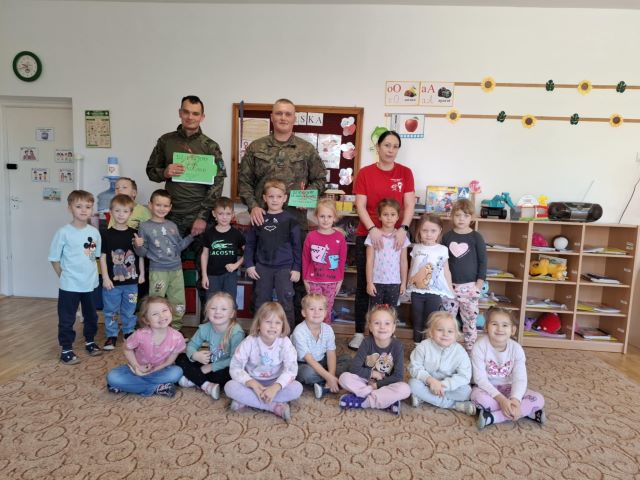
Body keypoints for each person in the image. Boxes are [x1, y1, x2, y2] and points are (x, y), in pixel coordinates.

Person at [237, 98, 327, 324]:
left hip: (294, 223)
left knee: (294, 283)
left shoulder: (306, 149)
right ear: (272, 117)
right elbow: (244, 181)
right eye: (279, 113)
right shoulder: (256, 147)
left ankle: (293, 331)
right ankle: (259, 330)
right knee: (261, 284)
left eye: (288, 114)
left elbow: (320, 179)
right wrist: (253, 205)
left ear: (294, 118)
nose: (283, 118)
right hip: (263, 223)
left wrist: (307, 197)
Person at [350, 130, 415, 350]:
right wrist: (372, 229)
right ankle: (360, 332)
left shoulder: (405, 172)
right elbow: (360, 205)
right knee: (365, 285)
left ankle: (388, 333)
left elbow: (409, 205)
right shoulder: (365, 173)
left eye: (395, 146)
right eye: (387, 145)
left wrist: (404, 228)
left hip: (395, 237)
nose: (391, 150)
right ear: (377, 147)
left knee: (391, 286)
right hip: (368, 234)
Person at [146, 95, 226, 237]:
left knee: (201, 252)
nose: (190, 117)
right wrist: (164, 172)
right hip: (169, 214)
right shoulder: (166, 141)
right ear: (180, 113)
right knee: (168, 252)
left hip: (199, 215)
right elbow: (150, 171)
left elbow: (218, 183)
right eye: (186, 112)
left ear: (202, 117)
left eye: (195, 113)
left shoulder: (211, 146)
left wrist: (202, 217)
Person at [48, 190, 103, 365]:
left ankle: (90, 342)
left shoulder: (94, 232)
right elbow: (54, 259)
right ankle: (66, 349)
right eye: (79, 206)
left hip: (90, 284)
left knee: (91, 316)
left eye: (88, 206)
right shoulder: (63, 232)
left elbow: (95, 257)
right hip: (70, 285)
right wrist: (63, 276)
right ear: (70, 208)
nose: (84, 210)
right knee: (67, 318)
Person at [224, 302, 303, 423]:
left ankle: (247, 401)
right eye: (268, 322)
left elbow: (291, 370)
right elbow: (235, 367)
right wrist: (252, 383)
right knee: (230, 387)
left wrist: (275, 387)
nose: (273, 326)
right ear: (259, 325)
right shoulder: (249, 341)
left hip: (275, 382)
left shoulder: (285, 343)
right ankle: (273, 406)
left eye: (277, 323)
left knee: (297, 388)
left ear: (283, 326)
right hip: (252, 382)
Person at [471, 307, 546, 430]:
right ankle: (526, 412)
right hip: (487, 389)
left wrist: (515, 400)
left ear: (513, 330)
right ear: (486, 327)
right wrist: (501, 400)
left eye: (505, 325)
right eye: (494, 324)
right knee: (478, 398)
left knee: (539, 399)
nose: (500, 329)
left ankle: (493, 417)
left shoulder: (517, 349)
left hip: (509, 388)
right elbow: (480, 379)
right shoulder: (479, 346)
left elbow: (520, 379)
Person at [244, 179, 301, 331]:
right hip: (263, 268)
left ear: (285, 198)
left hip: (284, 268)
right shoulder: (258, 218)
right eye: (271, 196)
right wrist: (249, 264)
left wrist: (296, 268)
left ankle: (287, 336)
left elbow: (297, 246)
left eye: (278, 196)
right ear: (264, 198)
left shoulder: (291, 220)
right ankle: (258, 334)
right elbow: (250, 244)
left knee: (286, 302)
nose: (275, 200)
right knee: (261, 302)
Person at [134, 189, 193, 330]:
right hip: (158, 271)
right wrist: (138, 245)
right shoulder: (144, 226)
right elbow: (142, 253)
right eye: (158, 205)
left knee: (178, 300)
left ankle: (176, 328)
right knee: (156, 301)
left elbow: (179, 247)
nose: (162, 208)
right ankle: (155, 328)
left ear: (170, 207)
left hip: (176, 270)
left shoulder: (172, 225)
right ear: (150, 205)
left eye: (165, 205)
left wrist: (191, 236)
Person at [338, 304, 411, 415]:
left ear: (393, 327)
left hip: (386, 384)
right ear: (370, 327)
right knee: (344, 378)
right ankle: (385, 401)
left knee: (405, 389)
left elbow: (398, 376)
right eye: (377, 323)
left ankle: (364, 401)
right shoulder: (366, 342)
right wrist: (372, 374)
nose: (382, 327)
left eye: (387, 323)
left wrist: (378, 385)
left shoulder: (397, 346)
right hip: (365, 382)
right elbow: (354, 368)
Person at [106, 297, 185, 397]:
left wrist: (152, 371)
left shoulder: (177, 337)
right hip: (136, 370)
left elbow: (169, 362)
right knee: (112, 376)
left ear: (171, 311)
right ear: (146, 320)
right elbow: (126, 348)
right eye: (155, 314)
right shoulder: (140, 334)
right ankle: (156, 388)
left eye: (164, 310)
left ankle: (129, 385)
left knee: (177, 372)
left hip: (160, 371)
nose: (161, 316)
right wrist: (137, 367)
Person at [175, 292, 245, 399]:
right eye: (213, 308)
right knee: (180, 357)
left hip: (225, 366)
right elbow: (191, 345)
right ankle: (206, 385)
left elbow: (235, 359)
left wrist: (212, 367)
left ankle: (192, 378)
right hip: (209, 361)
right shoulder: (205, 328)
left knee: (230, 375)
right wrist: (195, 355)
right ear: (207, 311)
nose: (217, 312)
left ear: (231, 314)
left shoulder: (236, 332)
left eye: (223, 309)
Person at [100, 194, 145, 350]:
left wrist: (142, 274)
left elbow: (139, 255)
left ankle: (128, 332)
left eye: (125, 211)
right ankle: (111, 335)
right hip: (112, 283)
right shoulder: (106, 234)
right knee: (110, 310)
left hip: (131, 283)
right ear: (111, 212)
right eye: (117, 211)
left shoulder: (134, 234)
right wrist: (105, 278)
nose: (121, 214)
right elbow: (103, 257)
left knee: (129, 310)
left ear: (130, 213)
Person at [408, 311, 475, 415]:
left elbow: (464, 376)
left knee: (467, 392)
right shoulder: (423, 346)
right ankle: (454, 405)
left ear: (456, 335)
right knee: (412, 384)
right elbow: (414, 367)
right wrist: (430, 381)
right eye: (440, 330)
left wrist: (444, 385)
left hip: (448, 387)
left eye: (450, 331)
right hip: (427, 383)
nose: (445, 334)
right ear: (431, 332)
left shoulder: (460, 352)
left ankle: (424, 398)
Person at [442, 199, 487, 352]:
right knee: (447, 320)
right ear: (452, 216)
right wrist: (446, 285)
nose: (461, 219)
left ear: (472, 218)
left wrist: (478, 285)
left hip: (470, 287)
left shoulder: (476, 237)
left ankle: (470, 349)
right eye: (458, 215)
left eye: (466, 216)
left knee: (470, 321)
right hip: (450, 287)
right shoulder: (447, 237)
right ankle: (446, 348)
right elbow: (443, 262)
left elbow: (483, 261)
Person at [291, 294, 351, 399]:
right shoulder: (299, 332)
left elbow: (331, 354)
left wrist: (331, 375)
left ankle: (327, 382)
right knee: (306, 373)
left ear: (325, 312)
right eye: (312, 309)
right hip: (304, 364)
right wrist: (329, 377)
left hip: (322, 361)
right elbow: (309, 359)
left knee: (347, 359)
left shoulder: (328, 329)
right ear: (304, 313)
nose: (316, 312)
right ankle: (334, 381)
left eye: (320, 309)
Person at [406, 214, 454, 344]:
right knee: (417, 319)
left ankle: (428, 345)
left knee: (431, 320)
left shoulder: (443, 249)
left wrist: (450, 288)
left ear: (439, 231)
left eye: (433, 231)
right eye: (425, 230)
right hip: (417, 291)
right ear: (419, 231)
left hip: (434, 292)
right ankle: (417, 344)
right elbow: (412, 268)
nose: (429, 234)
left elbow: (446, 271)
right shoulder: (416, 248)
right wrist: (407, 286)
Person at [302, 198, 347, 324]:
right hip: (313, 281)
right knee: (313, 309)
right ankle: (311, 333)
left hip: (332, 282)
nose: (325, 220)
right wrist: (305, 279)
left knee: (326, 310)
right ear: (316, 216)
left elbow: (342, 261)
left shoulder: (339, 237)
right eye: (322, 216)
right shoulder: (311, 236)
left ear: (334, 218)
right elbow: (305, 258)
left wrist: (340, 280)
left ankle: (325, 334)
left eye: (329, 216)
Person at [365, 198, 410, 308]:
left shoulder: (402, 237)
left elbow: (403, 262)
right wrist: (369, 283)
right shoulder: (372, 236)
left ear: (398, 217)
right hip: (376, 282)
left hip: (395, 282)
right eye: (385, 214)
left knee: (391, 313)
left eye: (393, 214)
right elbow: (369, 261)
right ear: (379, 217)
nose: (389, 218)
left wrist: (403, 283)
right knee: (375, 312)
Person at [200, 197, 245, 300]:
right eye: (220, 214)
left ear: (233, 214)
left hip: (230, 275)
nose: (224, 217)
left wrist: (236, 265)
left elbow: (248, 252)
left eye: (228, 214)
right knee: (212, 302)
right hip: (212, 276)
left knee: (230, 303)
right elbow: (204, 254)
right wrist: (204, 275)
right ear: (214, 214)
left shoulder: (236, 234)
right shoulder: (209, 233)